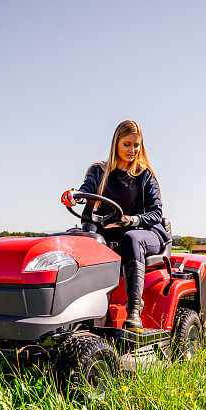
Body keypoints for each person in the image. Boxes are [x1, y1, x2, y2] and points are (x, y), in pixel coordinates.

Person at [61, 120, 169, 330]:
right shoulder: (98, 171)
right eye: (127, 144)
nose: (132, 150)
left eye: (136, 145)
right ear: (116, 143)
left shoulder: (144, 176)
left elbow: (156, 213)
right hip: (110, 233)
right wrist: (74, 196)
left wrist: (132, 220)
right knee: (75, 237)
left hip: (146, 233)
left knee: (131, 238)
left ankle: (134, 309)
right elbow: (86, 190)